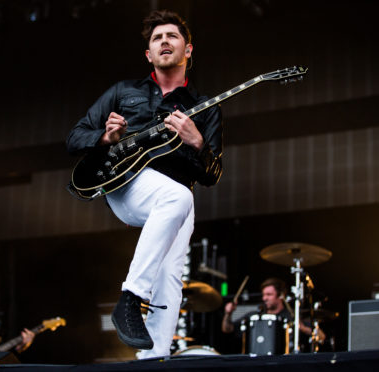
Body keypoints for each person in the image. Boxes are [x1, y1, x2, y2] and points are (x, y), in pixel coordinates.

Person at [66, 10, 222, 359]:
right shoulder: (123, 91)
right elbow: (74, 137)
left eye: (172, 36)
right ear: (148, 54)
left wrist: (197, 142)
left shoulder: (203, 107)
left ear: (189, 49)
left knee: (171, 275)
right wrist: (105, 137)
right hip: (127, 183)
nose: (165, 41)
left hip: (177, 199)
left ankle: (154, 359)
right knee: (177, 196)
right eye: (157, 38)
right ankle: (130, 298)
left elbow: (212, 173)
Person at [222, 278, 325, 353]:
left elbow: (321, 336)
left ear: (281, 295)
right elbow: (227, 329)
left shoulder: (292, 315)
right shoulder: (255, 317)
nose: (264, 298)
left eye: (269, 295)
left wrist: (302, 328)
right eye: (263, 295)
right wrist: (228, 313)